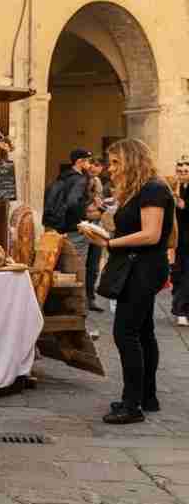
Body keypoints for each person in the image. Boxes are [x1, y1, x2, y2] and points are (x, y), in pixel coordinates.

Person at [82, 139, 174, 424]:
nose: (111, 169)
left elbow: (152, 234)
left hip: (142, 268)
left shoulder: (153, 189)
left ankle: (131, 404)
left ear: (132, 160)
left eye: (116, 162)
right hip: (140, 265)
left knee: (126, 334)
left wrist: (110, 242)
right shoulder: (143, 190)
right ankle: (146, 397)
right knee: (143, 332)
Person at [43, 148, 92, 266]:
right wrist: (82, 221)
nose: (89, 165)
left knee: (63, 263)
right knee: (78, 266)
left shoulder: (63, 176)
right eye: (88, 161)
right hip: (74, 227)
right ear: (80, 162)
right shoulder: (80, 179)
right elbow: (72, 202)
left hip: (60, 226)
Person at [84, 157, 108, 312]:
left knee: (93, 265)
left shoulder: (98, 182)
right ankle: (81, 298)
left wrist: (102, 207)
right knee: (81, 264)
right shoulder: (81, 181)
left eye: (98, 166)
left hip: (96, 225)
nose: (95, 169)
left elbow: (100, 202)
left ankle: (90, 298)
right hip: (83, 225)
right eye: (93, 165)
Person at [171, 157, 189, 326]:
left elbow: (183, 207)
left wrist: (182, 204)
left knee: (187, 275)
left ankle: (181, 310)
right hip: (179, 239)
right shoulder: (174, 188)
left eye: (185, 172)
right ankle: (181, 308)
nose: (182, 174)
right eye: (180, 171)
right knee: (178, 273)